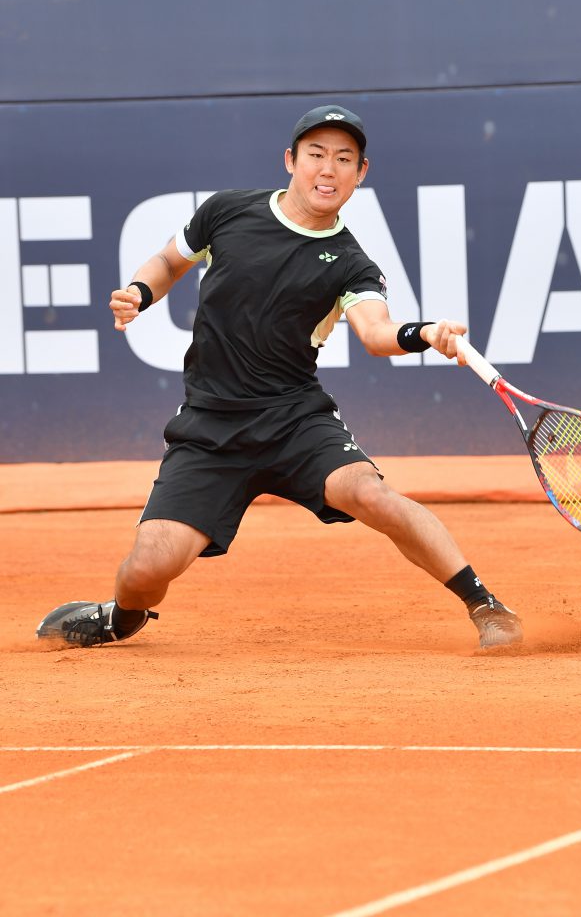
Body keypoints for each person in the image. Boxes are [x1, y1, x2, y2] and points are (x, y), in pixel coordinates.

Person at [36, 105, 522, 651]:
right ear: (290, 160)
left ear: (361, 174)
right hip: (209, 431)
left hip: (296, 422)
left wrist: (423, 332)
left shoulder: (351, 263)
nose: (328, 169)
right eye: (316, 155)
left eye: (344, 159)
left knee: (374, 497)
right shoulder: (227, 212)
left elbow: (376, 332)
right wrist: (140, 293)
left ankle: (486, 605)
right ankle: (121, 618)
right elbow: (168, 262)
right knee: (147, 567)